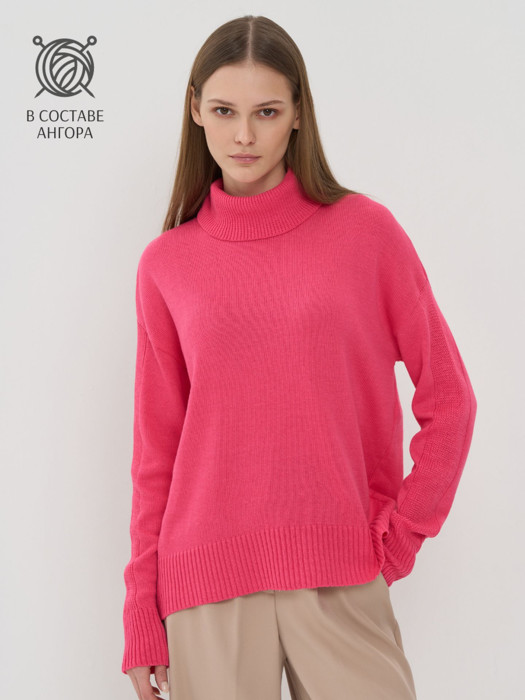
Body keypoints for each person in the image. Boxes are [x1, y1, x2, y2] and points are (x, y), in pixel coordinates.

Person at [121, 14, 477, 700]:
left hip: (340, 573)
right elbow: (155, 454)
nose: (243, 136)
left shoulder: (365, 234)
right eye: (223, 111)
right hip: (206, 588)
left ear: (297, 114)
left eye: (266, 111)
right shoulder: (166, 265)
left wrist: (401, 536)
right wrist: (141, 611)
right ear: (195, 110)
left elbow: (451, 401)